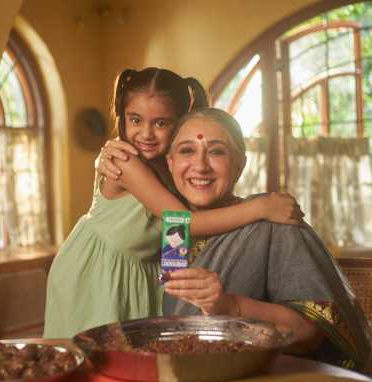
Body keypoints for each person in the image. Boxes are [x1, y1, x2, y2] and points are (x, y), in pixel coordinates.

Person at [44, 68, 304, 339]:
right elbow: (184, 223)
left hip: (139, 273)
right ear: (123, 117)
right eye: (135, 119)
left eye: (160, 123)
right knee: (92, 352)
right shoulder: (125, 160)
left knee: (138, 356)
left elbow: (174, 240)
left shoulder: (175, 168)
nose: (146, 134)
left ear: (179, 123)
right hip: (96, 272)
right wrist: (260, 208)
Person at [160, 107, 372, 374]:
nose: (200, 165)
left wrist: (227, 305)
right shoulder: (174, 233)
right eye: (187, 150)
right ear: (170, 163)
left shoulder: (272, 221)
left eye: (215, 151)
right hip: (186, 378)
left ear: (239, 167)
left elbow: (309, 332)